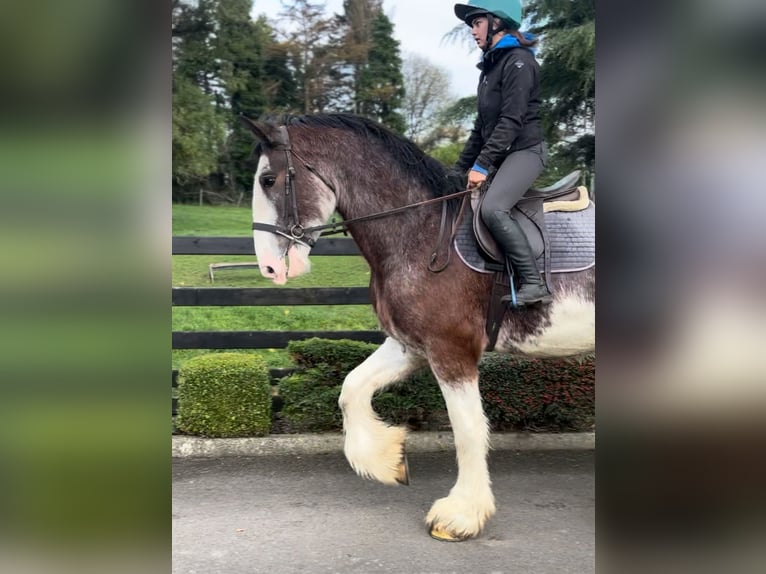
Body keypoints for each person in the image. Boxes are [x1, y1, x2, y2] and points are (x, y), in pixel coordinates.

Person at [453, 0, 552, 305]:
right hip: (503, 153)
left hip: (526, 151)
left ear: (497, 22)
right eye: (471, 24)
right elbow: (480, 128)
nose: (472, 30)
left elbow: (511, 121)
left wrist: (482, 165)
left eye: (476, 22)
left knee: (493, 208)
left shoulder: (519, 62)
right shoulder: (490, 68)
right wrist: (457, 171)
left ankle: (534, 284)